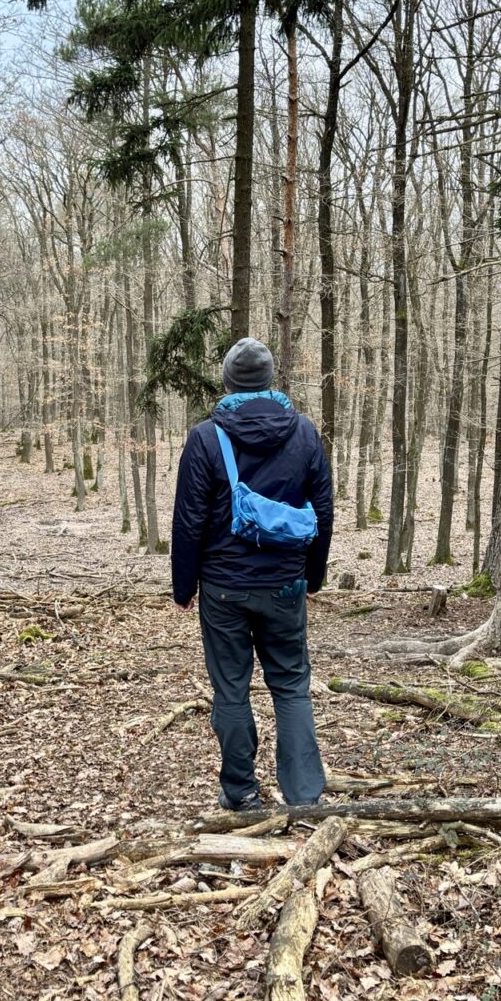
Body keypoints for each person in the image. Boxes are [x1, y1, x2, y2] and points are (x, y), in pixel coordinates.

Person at [170, 337, 334, 810]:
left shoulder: (206, 437)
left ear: (227, 381)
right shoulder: (305, 432)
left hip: (224, 588)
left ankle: (241, 793)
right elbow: (323, 510)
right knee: (291, 686)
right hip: (285, 583)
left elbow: (189, 520)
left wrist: (184, 586)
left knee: (231, 689)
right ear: (269, 379)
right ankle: (304, 796)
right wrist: (313, 576)